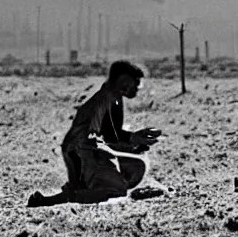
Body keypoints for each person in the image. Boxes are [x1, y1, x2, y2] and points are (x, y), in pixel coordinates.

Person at [28, 60, 162, 206]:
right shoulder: (110, 97)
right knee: (116, 190)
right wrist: (133, 138)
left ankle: (54, 198)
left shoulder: (108, 96)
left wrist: (134, 143)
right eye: (136, 83)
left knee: (137, 166)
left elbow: (110, 135)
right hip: (86, 148)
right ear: (124, 81)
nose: (137, 88)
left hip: (74, 149)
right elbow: (111, 136)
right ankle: (66, 197)